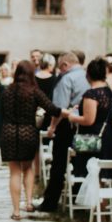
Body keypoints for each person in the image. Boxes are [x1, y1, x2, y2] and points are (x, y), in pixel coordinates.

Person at [0, 61, 65, 219]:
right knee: (28, 168)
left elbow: (0, 114)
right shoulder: (34, 91)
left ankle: (16, 211)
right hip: (28, 132)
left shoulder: (7, 91)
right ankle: (28, 203)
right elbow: (52, 109)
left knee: (14, 172)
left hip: (9, 132)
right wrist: (65, 112)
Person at [38, 52, 89, 212]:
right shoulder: (89, 76)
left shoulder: (66, 78)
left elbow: (59, 108)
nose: (59, 71)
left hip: (67, 126)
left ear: (65, 65)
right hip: (86, 125)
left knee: (59, 164)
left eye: (60, 67)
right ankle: (79, 200)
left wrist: (52, 127)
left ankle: (50, 202)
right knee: (80, 162)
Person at [68, 58, 112, 177]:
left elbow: (88, 120)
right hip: (107, 136)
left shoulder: (92, 94)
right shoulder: (109, 92)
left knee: (91, 176)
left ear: (88, 74)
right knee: (103, 177)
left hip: (91, 139)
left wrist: (72, 117)